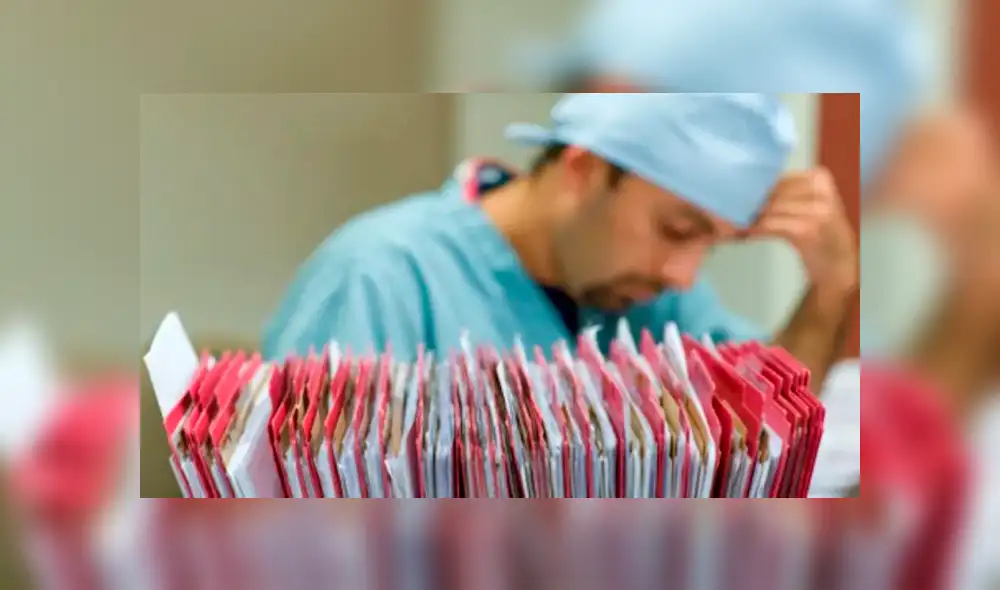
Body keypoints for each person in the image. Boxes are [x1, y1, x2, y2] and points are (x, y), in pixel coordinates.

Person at [263, 92, 858, 396]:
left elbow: (764, 431)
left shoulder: (652, 300)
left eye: (713, 246)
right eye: (676, 230)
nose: (685, 274)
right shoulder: (382, 277)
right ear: (584, 169)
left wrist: (831, 288)